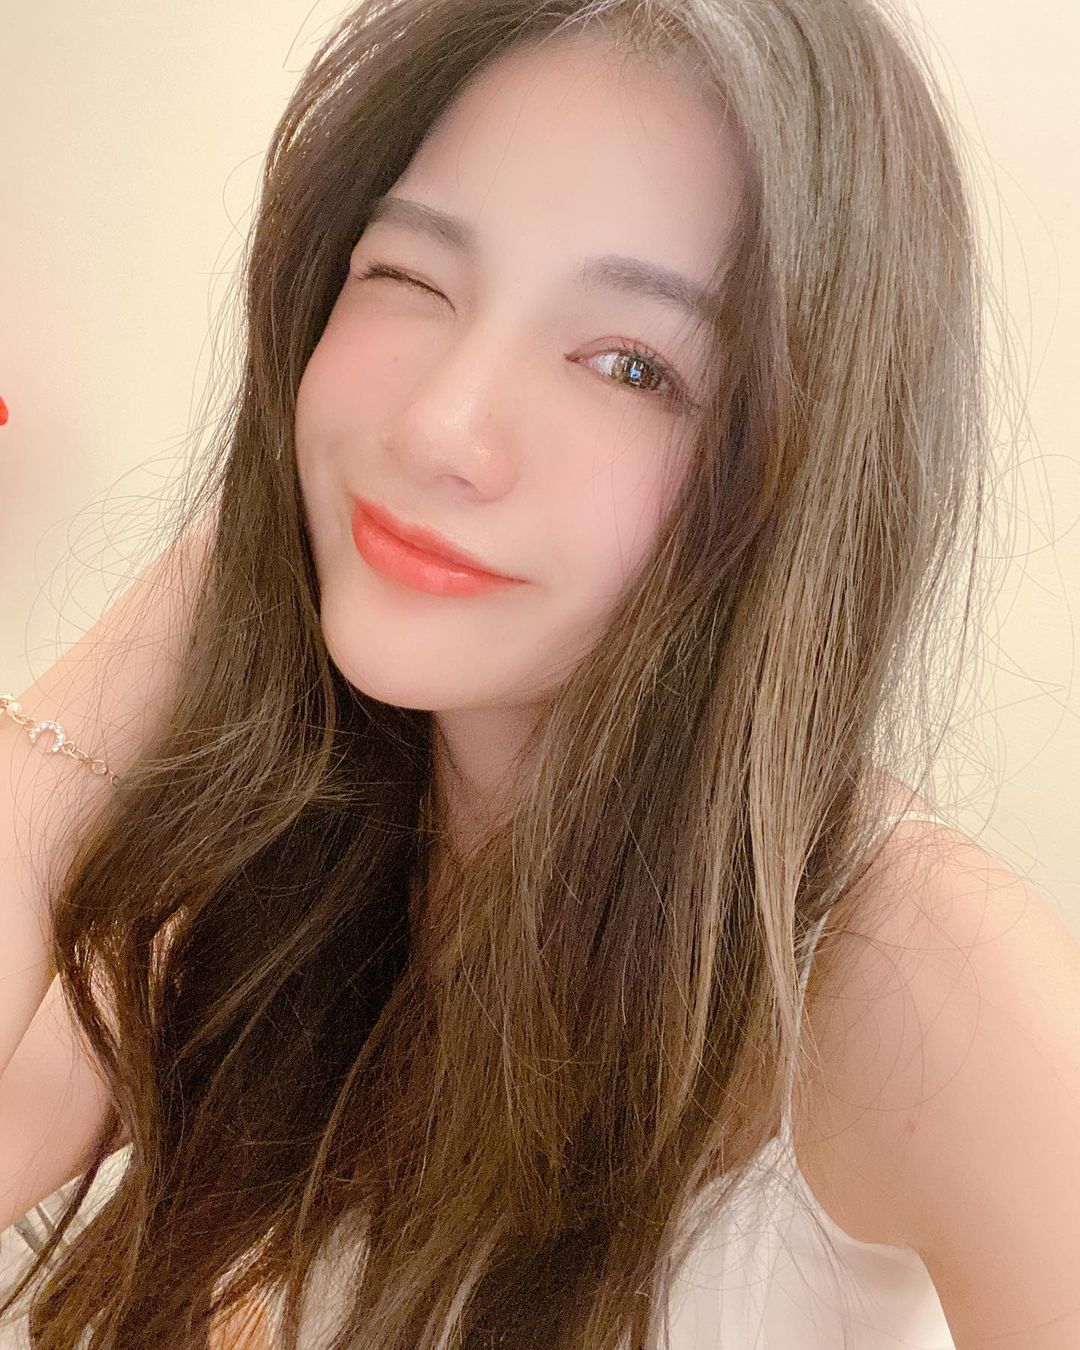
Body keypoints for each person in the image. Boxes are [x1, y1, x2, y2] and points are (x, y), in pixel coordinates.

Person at [2, 1, 1079, 1347]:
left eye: (629, 365)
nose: (440, 427)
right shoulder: (287, 865)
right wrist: (220, 572)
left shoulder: (911, 971)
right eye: (410, 278)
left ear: (804, 477)